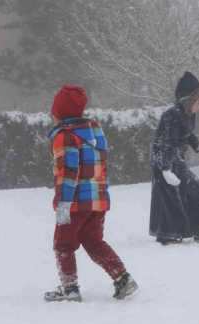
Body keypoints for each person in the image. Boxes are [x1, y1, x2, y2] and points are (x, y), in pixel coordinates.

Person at [44, 85, 138, 302]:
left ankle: (70, 288)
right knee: (94, 241)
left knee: (63, 244)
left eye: (54, 110)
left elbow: (68, 173)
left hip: (75, 203)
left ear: (60, 112)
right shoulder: (95, 131)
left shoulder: (64, 136)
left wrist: (63, 204)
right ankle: (122, 278)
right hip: (98, 201)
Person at [149, 71, 199, 245]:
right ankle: (171, 234)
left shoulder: (187, 114)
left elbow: (187, 134)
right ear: (188, 100)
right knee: (171, 195)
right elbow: (166, 143)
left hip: (175, 157)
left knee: (191, 189)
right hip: (164, 158)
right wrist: (166, 170)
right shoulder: (171, 115)